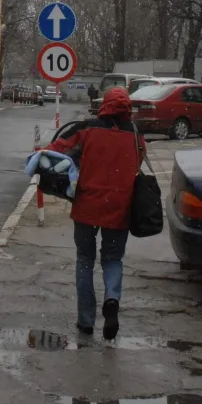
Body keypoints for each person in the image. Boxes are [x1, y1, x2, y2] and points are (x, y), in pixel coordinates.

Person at [47, 87, 144, 340]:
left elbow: (55, 150)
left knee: (85, 260)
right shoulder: (135, 134)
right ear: (127, 109)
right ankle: (112, 299)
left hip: (87, 205)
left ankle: (86, 320)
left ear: (105, 106)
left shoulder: (86, 128)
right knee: (112, 259)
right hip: (119, 206)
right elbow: (139, 161)